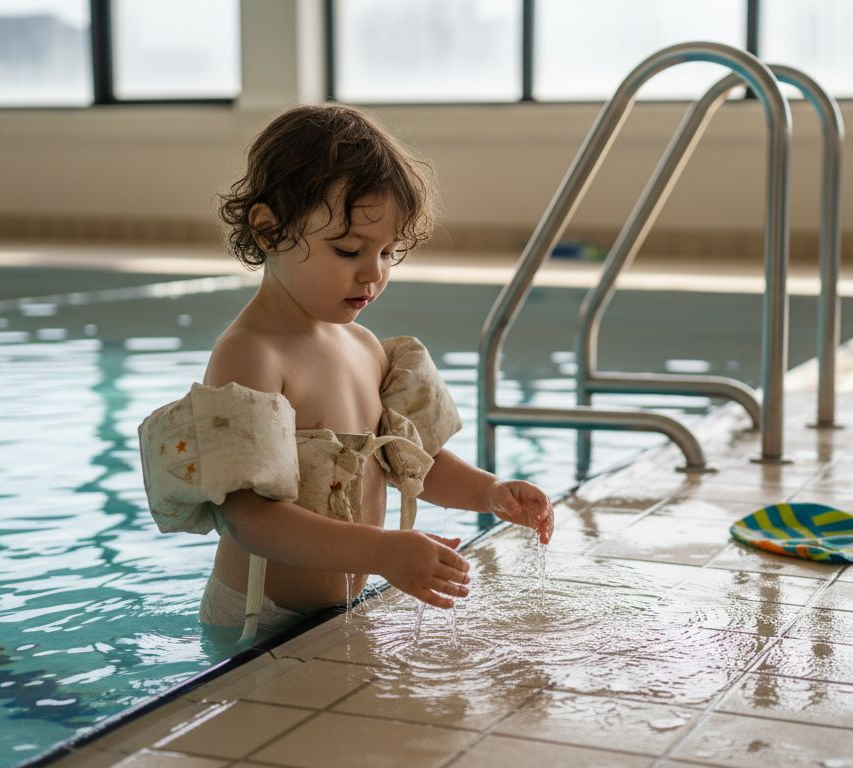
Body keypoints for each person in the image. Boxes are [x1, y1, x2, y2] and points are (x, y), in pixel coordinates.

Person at [137, 105, 553, 642]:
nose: (373, 272)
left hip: (341, 611)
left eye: (388, 252)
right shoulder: (252, 355)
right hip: (258, 619)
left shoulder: (365, 347)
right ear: (268, 230)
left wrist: (490, 492)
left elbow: (408, 462)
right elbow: (248, 519)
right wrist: (381, 552)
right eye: (349, 249)